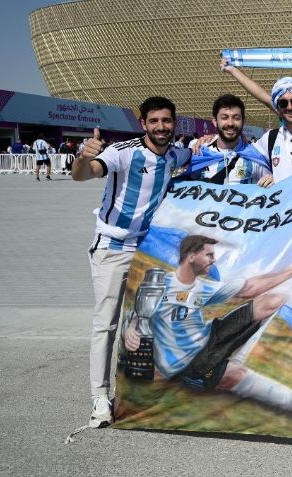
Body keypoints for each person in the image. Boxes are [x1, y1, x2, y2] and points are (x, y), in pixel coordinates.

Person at [122, 235, 292, 422]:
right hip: (188, 362)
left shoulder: (203, 287)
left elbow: (249, 288)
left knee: (273, 300)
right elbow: (138, 315)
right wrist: (130, 330)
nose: (214, 260)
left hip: (210, 338)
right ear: (191, 256)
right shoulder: (159, 285)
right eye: (209, 255)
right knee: (234, 375)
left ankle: (235, 359)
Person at [72, 96, 193, 428]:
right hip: (113, 248)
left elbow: (196, 155)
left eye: (166, 121)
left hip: (148, 250)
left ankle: (139, 392)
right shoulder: (122, 152)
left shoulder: (175, 154)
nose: (160, 127)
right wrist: (83, 158)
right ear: (143, 124)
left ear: (174, 123)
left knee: (149, 321)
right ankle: (100, 397)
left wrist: (206, 145)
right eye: (154, 121)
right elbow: (84, 175)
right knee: (107, 323)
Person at [187, 94, 271, 185]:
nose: (230, 123)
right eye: (224, 118)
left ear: (243, 121)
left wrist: (273, 180)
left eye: (236, 118)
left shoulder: (254, 157)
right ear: (215, 122)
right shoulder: (200, 152)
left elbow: (271, 188)